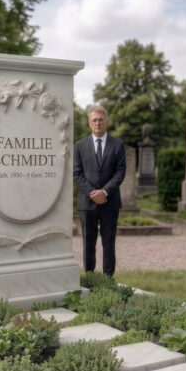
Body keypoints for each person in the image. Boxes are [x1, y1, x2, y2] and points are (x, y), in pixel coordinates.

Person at [73, 105, 126, 277]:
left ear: (107, 122)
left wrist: (105, 192)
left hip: (110, 202)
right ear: (89, 123)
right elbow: (77, 173)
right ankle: (89, 277)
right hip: (86, 203)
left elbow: (120, 172)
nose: (98, 123)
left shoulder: (118, 145)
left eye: (101, 120)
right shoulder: (79, 146)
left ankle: (108, 280)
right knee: (88, 243)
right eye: (94, 120)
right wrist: (92, 193)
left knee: (108, 242)